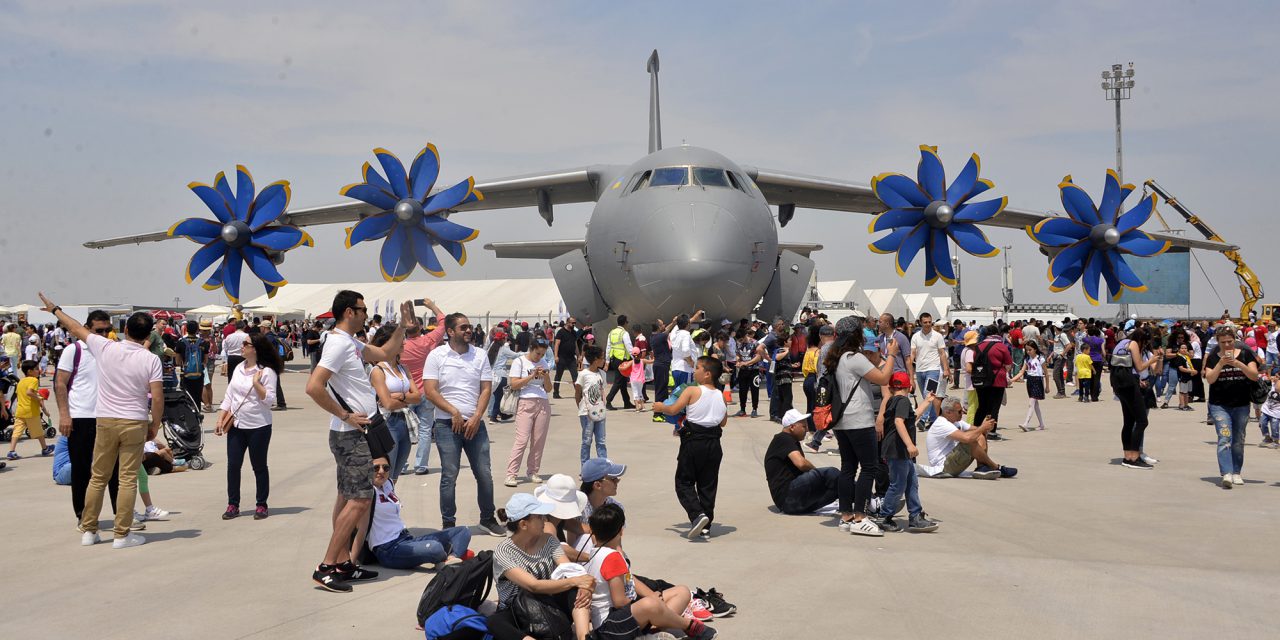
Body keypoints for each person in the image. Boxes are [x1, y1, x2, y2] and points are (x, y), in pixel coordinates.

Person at [304, 291, 410, 592]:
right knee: (360, 499)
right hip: (351, 434)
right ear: (349, 312)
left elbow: (385, 354)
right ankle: (326, 566)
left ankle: (343, 563)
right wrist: (345, 414)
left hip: (356, 432)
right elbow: (314, 386)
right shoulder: (338, 344)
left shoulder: (349, 342)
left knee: (350, 497)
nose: (366, 314)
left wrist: (401, 325)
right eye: (363, 309)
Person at [40, 294, 162, 550]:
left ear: (124, 329)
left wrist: (55, 309)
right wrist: (155, 425)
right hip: (133, 421)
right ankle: (121, 534)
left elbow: (73, 327)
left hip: (105, 420)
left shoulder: (106, 348)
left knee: (97, 477)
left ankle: (89, 530)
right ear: (148, 335)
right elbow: (158, 397)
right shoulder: (150, 359)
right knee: (127, 479)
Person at [423, 312, 504, 536]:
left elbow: (486, 388)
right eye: (463, 327)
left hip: (475, 424)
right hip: (446, 425)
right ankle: (449, 524)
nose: (469, 330)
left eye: (469, 327)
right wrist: (453, 412)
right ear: (450, 331)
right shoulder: (437, 356)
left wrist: (477, 416)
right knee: (449, 475)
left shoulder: (479, 355)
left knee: (484, 473)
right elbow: (430, 390)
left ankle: (487, 518)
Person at [586, 503, 716, 640]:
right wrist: (646, 601)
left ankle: (651, 632)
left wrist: (651, 596)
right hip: (611, 625)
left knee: (681, 591)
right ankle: (689, 626)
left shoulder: (594, 554)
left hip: (617, 619)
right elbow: (619, 601)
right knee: (650, 604)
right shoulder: (612, 557)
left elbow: (629, 579)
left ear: (593, 532)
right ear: (621, 531)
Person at [486, 494, 594, 640]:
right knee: (495, 622)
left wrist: (583, 587)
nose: (545, 520)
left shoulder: (548, 540)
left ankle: (584, 637)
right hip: (517, 610)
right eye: (539, 517)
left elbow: (569, 570)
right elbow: (533, 586)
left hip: (548, 602)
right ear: (523, 524)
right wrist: (576, 581)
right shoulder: (504, 551)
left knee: (576, 593)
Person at [825, 317, 895, 537]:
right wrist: (891, 354)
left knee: (848, 467)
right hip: (859, 419)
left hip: (841, 420)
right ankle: (860, 516)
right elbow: (883, 378)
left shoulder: (834, 357)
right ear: (855, 335)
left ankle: (845, 515)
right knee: (869, 467)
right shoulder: (854, 357)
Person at [53, 310, 119, 520]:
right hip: (80, 417)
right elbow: (60, 383)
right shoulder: (74, 350)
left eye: (108, 330)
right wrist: (64, 414)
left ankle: (122, 514)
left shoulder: (112, 350)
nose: (104, 334)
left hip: (108, 416)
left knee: (115, 470)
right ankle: (83, 516)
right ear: (87, 329)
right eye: (99, 330)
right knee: (81, 470)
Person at [657, 355, 728, 540]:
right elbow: (723, 422)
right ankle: (706, 526)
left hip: (694, 441)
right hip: (714, 444)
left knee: (684, 482)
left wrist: (659, 406)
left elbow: (673, 409)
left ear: (707, 374)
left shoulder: (692, 391)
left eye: (697, 368)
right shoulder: (720, 395)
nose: (694, 371)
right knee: (708, 484)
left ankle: (697, 515)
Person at [216, 332, 280, 519]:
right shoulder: (238, 368)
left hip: (259, 426)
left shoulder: (267, 372)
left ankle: (261, 504)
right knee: (233, 465)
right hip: (236, 425)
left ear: (255, 349)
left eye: (246, 344)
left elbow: (269, 400)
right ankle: (232, 504)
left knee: (259, 466)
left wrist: (256, 383)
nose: (242, 346)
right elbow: (229, 395)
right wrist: (221, 418)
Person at [366, 457, 472, 569]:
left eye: (385, 468)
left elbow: (402, 452)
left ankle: (451, 558)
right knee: (435, 548)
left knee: (463, 532)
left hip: (406, 539)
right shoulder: (367, 492)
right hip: (388, 549)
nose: (381, 471)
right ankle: (452, 554)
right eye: (376, 468)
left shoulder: (388, 484)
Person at [875, 373, 938, 533]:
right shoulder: (903, 401)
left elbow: (912, 417)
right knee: (898, 485)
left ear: (890, 387)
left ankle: (915, 516)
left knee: (911, 482)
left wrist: (927, 402)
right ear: (909, 387)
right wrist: (910, 445)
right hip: (898, 450)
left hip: (896, 450)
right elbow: (899, 422)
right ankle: (884, 516)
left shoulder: (892, 401)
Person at [1205, 325, 1260, 489]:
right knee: (1224, 437)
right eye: (1223, 342)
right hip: (1219, 405)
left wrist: (1238, 364)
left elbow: (1254, 375)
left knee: (1238, 440)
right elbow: (1210, 379)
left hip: (1241, 404)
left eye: (1230, 341)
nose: (1227, 345)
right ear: (1218, 342)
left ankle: (1237, 472)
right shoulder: (1214, 357)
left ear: (1235, 340)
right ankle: (1226, 473)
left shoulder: (1245, 353)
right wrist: (1221, 364)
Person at [369, 326, 422, 483]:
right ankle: (379, 507)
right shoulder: (378, 370)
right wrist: (406, 398)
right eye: (399, 339)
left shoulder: (404, 368)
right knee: (383, 476)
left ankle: (389, 506)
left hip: (404, 424)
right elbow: (387, 403)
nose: (403, 342)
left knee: (395, 476)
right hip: (387, 423)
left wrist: (401, 396)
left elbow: (418, 397)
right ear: (387, 343)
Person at [920, 396, 1016, 479]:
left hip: (953, 460)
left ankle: (982, 467)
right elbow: (967, 438)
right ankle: (996, 467)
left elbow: (977, 430)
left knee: (979, 435)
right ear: (948, 412)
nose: (963, 413)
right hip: (943, 466)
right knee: (970, 440)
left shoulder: (956, 421)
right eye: (959, 411)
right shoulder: (941, 424)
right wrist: (982, 428)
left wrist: (985, 427)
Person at [765, 408, 838, 514]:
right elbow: (801, 463)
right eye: (804, 426)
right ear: (792, 427)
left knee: (838, 489)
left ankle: (863, 502)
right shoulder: (783, 438)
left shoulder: (790, 440)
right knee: (831, 473)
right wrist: (819, 475)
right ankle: (866, 499)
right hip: (788, 497)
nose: (807, 429)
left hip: (792, 503)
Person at [505, 336, 554, 487]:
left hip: (542, 402)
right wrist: (531, 376)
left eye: (542, 354)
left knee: (538, 441)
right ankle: (511, 474)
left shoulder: (543, 362)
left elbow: (549, 388)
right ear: (531, 349)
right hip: (525, 402)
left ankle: (533, 471)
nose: (539, 357)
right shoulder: (519, 362)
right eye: (537, 353)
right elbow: (513, 384)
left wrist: (545, 376)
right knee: (522, 440)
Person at [1113, 327, 1161, 470]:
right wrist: (1152, 359)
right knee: (1141, 421)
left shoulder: (1122, 343)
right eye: (1146, 342)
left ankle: (1127, 456)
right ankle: (1134, 457)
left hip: (1119, 384)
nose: (1146, 345)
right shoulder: (1134, 344)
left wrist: (1157, 359)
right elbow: (1140, 367)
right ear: (1142, 339)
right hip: (1130, 385)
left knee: (1128, 422)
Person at [909, 312, 949, 429]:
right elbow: (912, 353)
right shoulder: (916, 336)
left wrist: (946, 369)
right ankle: (934, 419)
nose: (928, 324)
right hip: (920, 370)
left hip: (934, 370)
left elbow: (942, 354)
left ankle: (922, 419)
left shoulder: (938, 336)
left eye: (929, 322)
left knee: (929, 394)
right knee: (927, 397)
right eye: (925, 322)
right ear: (920, 323)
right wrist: (909, 367)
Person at [6, 360, 52, 460]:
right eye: (36, 369)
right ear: (29, 371)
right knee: (39, 431)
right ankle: (45, 449)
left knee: (17, 432)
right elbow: (29, 393)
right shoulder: (34, 380)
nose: (38, 371)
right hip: (31, 411)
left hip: (20, 411)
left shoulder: (21, 381)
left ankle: (11, 451)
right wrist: (39, 399)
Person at [972, 326, 1012, 440]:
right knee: (994, 407)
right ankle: (991, 432)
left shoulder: (978, 346)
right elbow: (1008, 365)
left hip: (981, 379)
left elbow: (975, 361)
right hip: (997, 380)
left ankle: (976, 429)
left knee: (982, 406)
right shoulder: (1001, 347)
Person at [575, 345, 608, 465]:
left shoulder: (602, 374)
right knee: (586, 441)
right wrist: (582, 407)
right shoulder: (583, 374)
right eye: (602, 358)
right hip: (586, 413)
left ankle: (604, 466)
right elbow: (577, 392)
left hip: (600, 412)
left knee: (601, 441)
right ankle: (585, 467)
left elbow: (602, 392)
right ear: (595, 359)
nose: (604, 360)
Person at [1011, 341, 1046, 431]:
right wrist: (1012, 380)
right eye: (1026, 350)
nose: (1028, 352)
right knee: (1035, 404)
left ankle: (1026, 423)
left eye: (1030, 350)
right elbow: (1021, 372)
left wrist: (1048, 386)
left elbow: (1045, 372)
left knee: (1031, 403)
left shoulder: (1040, 359)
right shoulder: (1027, 359)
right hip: (1030, 380)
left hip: (1038, 380)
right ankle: (1041, 424)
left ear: (1035, 349)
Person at [177, 320, 209, 413]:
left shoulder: (181, 342)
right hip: (199, 374)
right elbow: (205, 361)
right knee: (197, 398)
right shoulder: (203, 342)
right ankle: (197, 418)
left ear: (186, 329)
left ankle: (189, 418)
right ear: (197, 330)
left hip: (186, 374)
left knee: (186, 397)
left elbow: (178, 361)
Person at [605, 315, 635, 410]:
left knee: (623, 382)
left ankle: (627, 402)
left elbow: (608, 347)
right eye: (627, 322)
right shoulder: (624, 333)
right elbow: (629, 347)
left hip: (614, 359)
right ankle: (608, 400)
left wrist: (607, 361)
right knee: (618, 382)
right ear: (625, 323)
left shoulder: (611, 332)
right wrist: (635, 358)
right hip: (622, 360)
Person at [553, 318, 580, 400]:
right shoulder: (561, 332)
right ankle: (556, 393)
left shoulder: (574, 333)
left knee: (575, 376)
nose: (574, 324)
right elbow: (557, 344)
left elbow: (575, 345)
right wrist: (556, 356)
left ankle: (578, 393)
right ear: (567, 323)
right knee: (558, 375)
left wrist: (578, 356)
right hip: (561, 358)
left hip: (571, 358)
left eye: (575, 323)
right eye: (572, 323)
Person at [628, 346, 653, 412]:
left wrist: (620, 367)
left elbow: (624, 367)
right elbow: (651, 361)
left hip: (634, 380)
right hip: (641, 380)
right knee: (640, 392)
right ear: (640, 354)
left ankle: (637, 407)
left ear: (633, 355)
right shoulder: (643, 361)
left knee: (635, 393)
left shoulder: (631, 362)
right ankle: (643, 406)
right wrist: (653, 357)